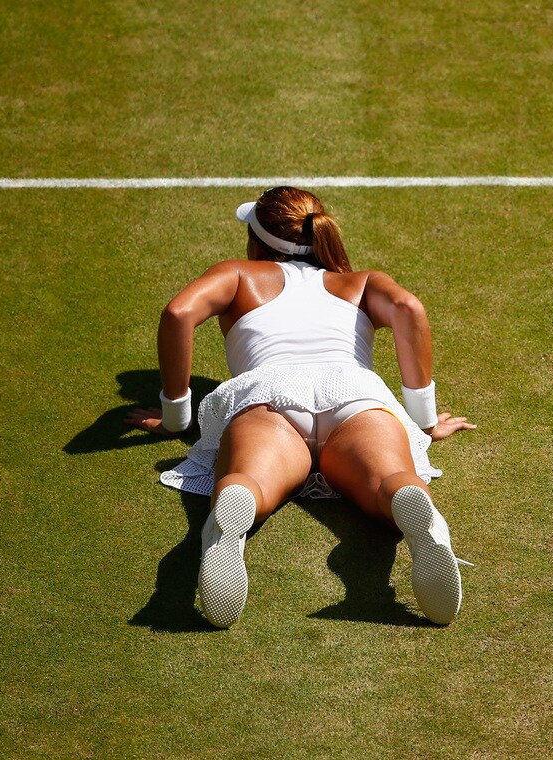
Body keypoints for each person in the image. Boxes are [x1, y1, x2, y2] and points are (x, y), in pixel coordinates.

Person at [125, 186, 475, 628]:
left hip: (268, 394)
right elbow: (408, 307)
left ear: (257, 241)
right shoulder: (362, 281)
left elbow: (178, 314)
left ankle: (236, 502)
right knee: (389, 482)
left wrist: (176, 417)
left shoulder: (238, 274)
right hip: (355, 394)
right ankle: (412, 505)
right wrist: (423, 422)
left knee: (249, 481)